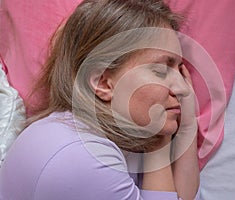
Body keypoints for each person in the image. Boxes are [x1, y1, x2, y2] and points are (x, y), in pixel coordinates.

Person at [0, 0, 199, 199]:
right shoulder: (81, 157)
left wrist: (186, 127)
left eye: (179, 71)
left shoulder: (114, 137)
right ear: (103, 83)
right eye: (161, 70)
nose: (183, 89)